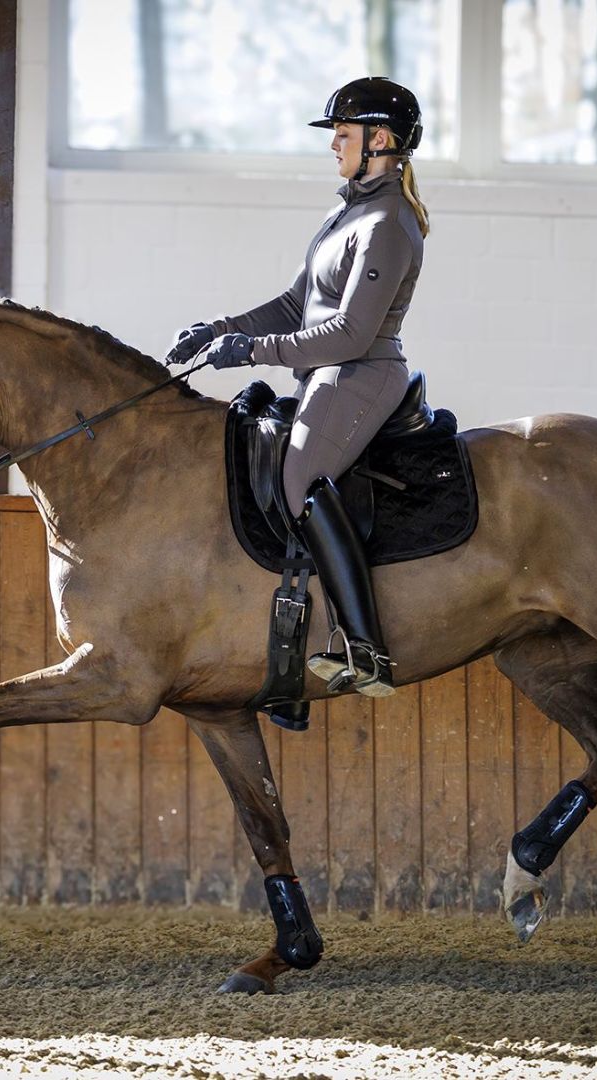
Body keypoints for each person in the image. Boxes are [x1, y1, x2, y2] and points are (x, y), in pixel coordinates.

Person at [166, 76, 430, 698]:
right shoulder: (349, 212)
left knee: (297, 479)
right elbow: (295, 305)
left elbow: (349, 334)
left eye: (344, 134)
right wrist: (220, 330)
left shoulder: (389, 222)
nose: (334, 144)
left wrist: (252, 352)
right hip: (328, 370)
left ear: (381, 140)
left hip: (358, 373)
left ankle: (366, 649)